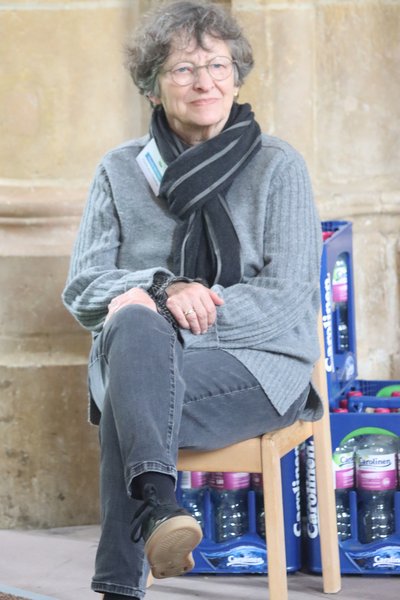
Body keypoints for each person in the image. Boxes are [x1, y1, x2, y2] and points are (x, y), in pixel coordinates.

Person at [62, 1, 323, 598]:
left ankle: (125, 575)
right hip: (142, 355)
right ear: (152, 87)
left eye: (218, 66)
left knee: (134, 372)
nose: (205, 82)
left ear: (236, 77)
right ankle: (160, 505)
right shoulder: (119, 170)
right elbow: (83, 286)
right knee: (135, 330)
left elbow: (286, 297)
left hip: (257, 367)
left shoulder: (278, 165)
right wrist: (162, 290)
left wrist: (178, 314)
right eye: (183, 69)